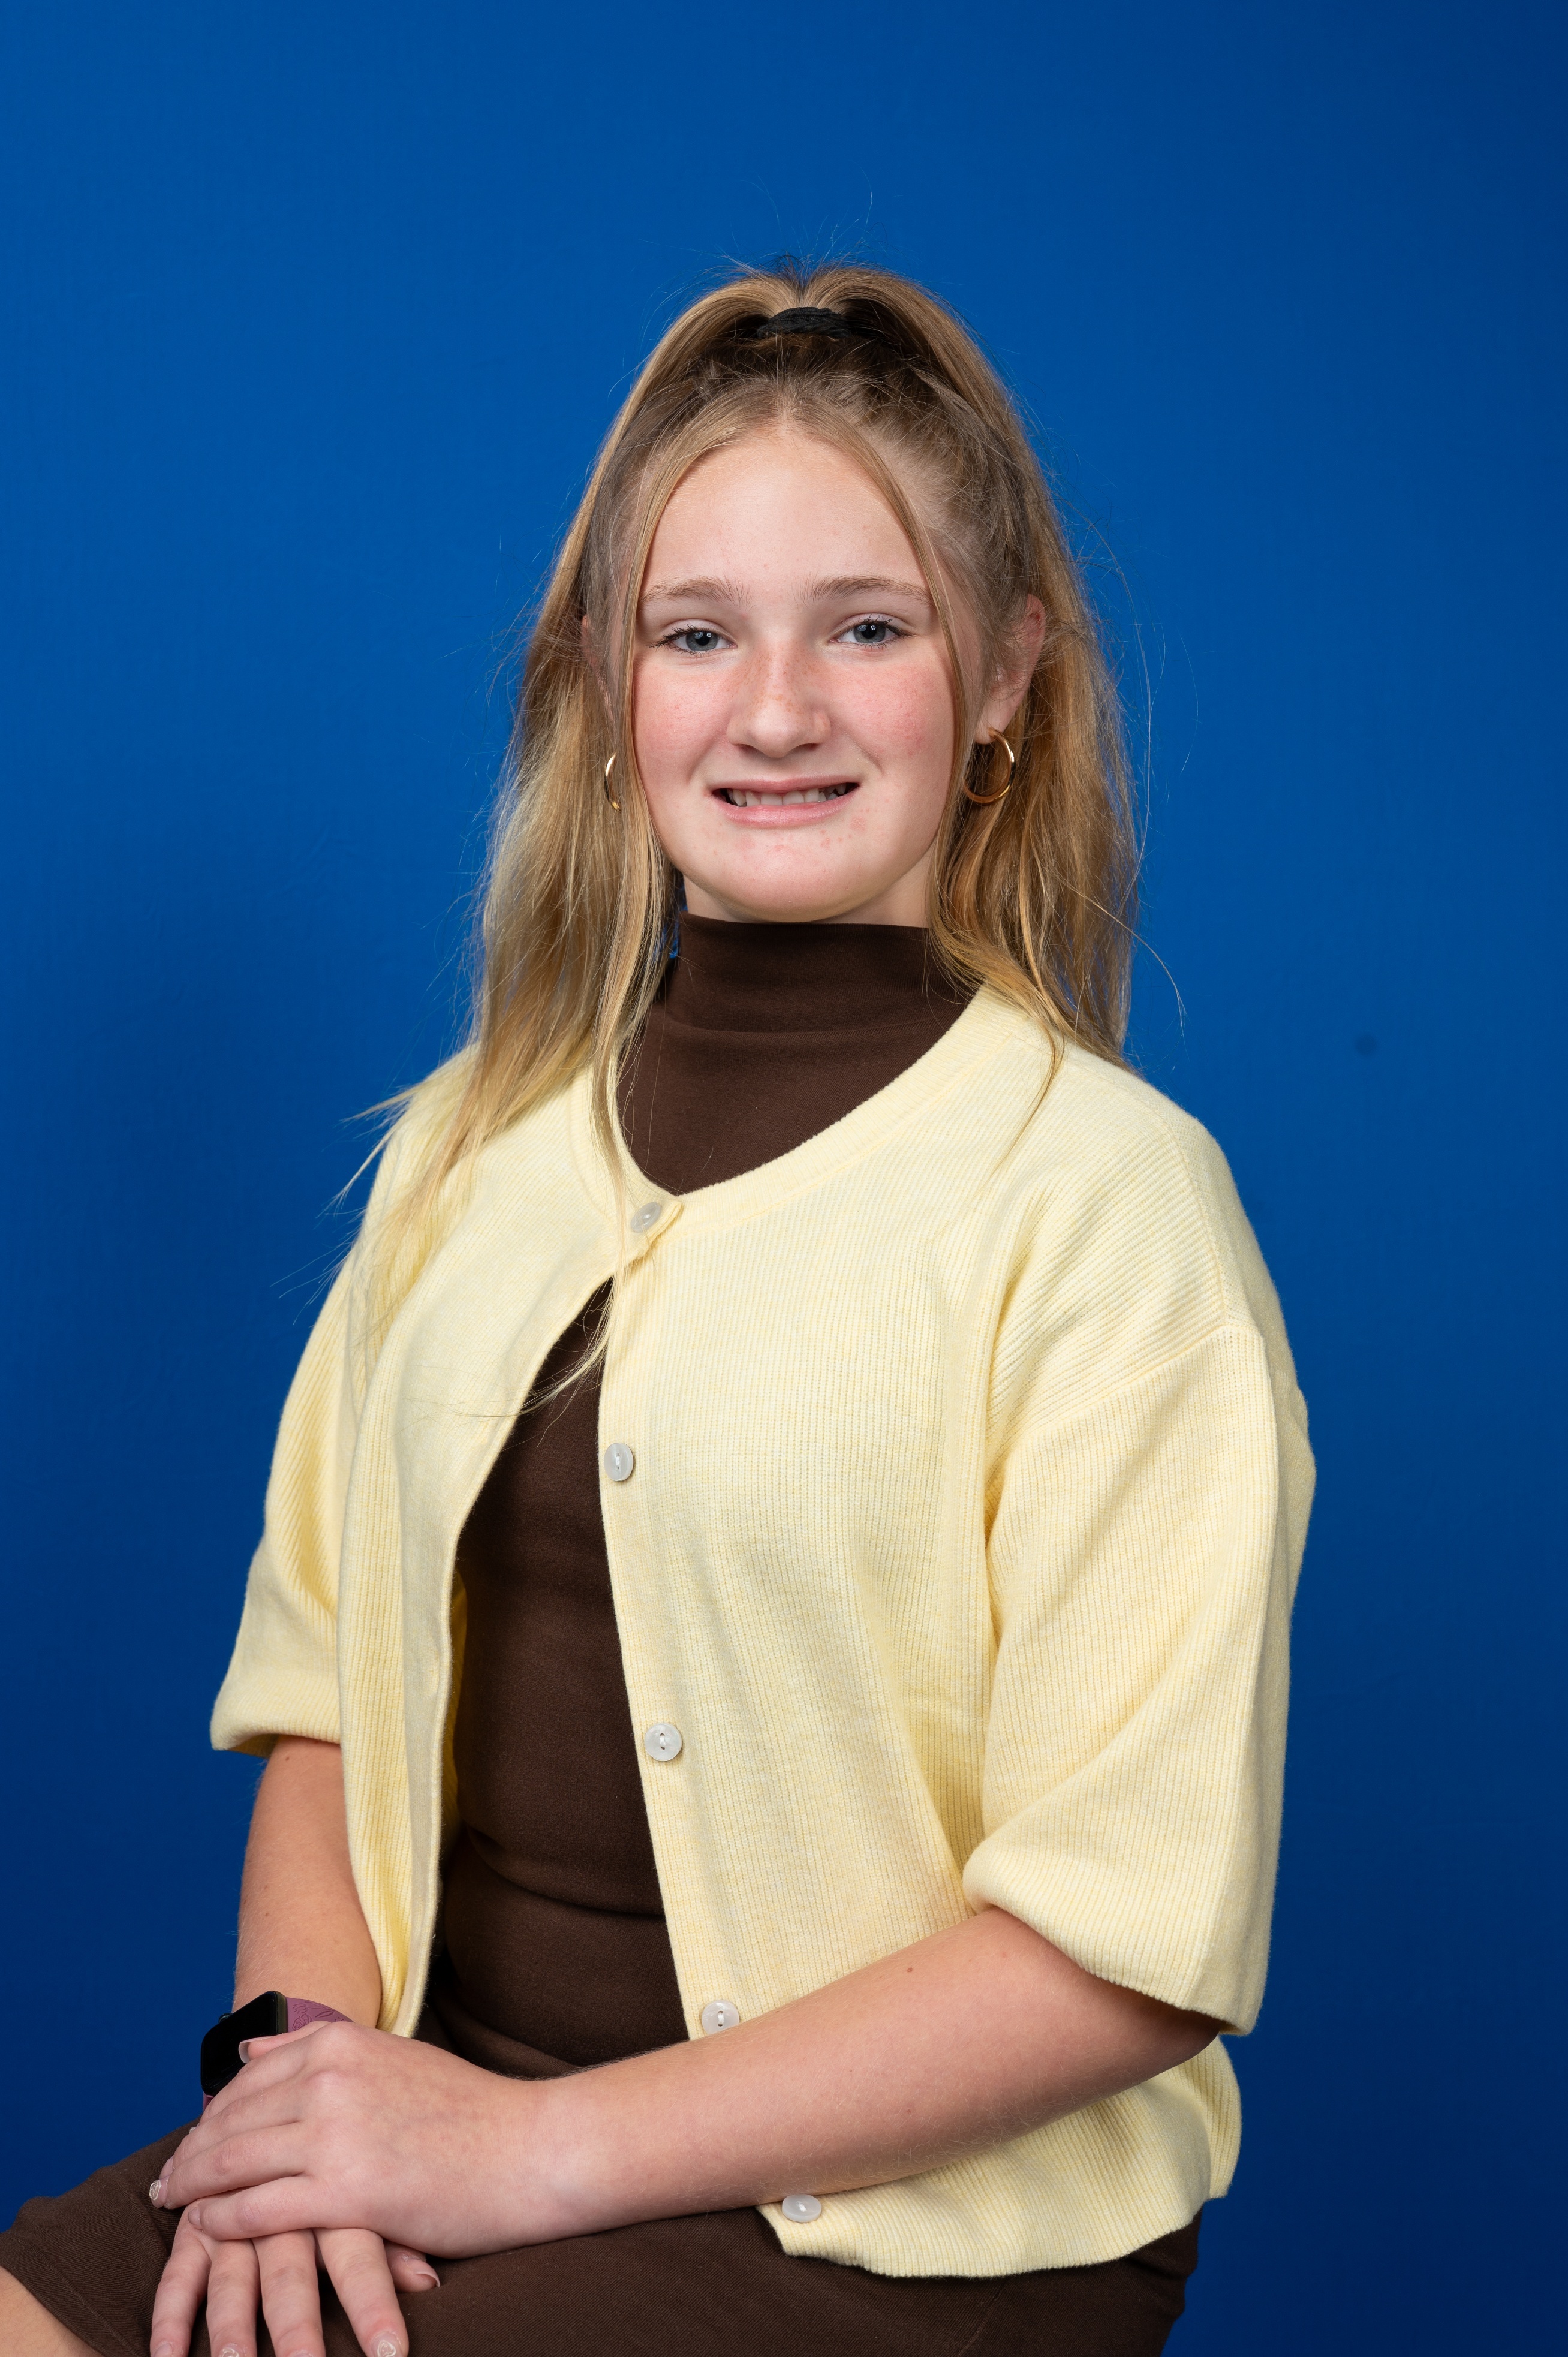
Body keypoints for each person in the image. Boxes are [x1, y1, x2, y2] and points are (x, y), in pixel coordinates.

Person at [0, 261, 1313, 2357]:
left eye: (866, 627)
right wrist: (289, 2116)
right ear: (608, 687)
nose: (773, 710)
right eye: (696, 634)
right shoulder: (466, 1148)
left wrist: (520, 2155)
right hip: (442, 2137)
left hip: (899, 2244)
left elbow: (1124, 1942)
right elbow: (327, 1702)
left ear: (1005, 677)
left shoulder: (1112, 1213)